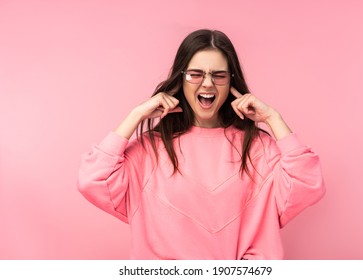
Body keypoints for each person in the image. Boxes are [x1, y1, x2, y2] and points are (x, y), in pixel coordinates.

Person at [77, 29, 325, 260]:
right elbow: (93, 180)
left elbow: (308, 184)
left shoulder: (259, 148)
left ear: (230, 82)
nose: (207, 83)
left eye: (218, 75)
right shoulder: (150, 148)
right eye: (196, 74)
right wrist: (135, 115)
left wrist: (273, 118)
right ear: (181, 79)